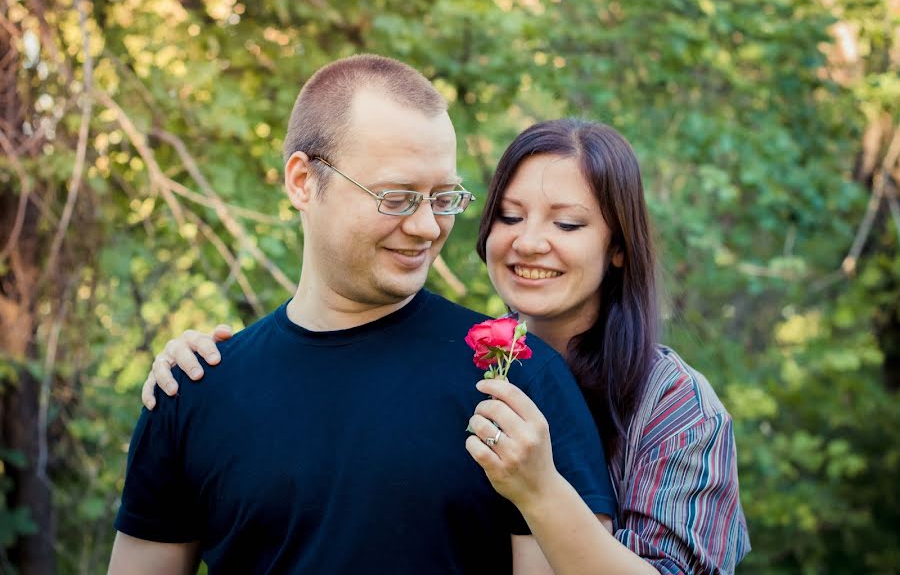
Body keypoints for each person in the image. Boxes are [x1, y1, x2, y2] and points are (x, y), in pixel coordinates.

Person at [147, 118, 751, 573]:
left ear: (618, 247)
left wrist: (541, 489)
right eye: (510, 217)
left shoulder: (674, 406)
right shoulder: (469, 363)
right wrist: (207, 369)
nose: (530, 243)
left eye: (567, 224)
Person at [109, 55, 616, 574]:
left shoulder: (515, 378)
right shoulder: (193, 389)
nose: (425, 227)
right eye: (396, 197)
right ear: (303, 182)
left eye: (443, 198)